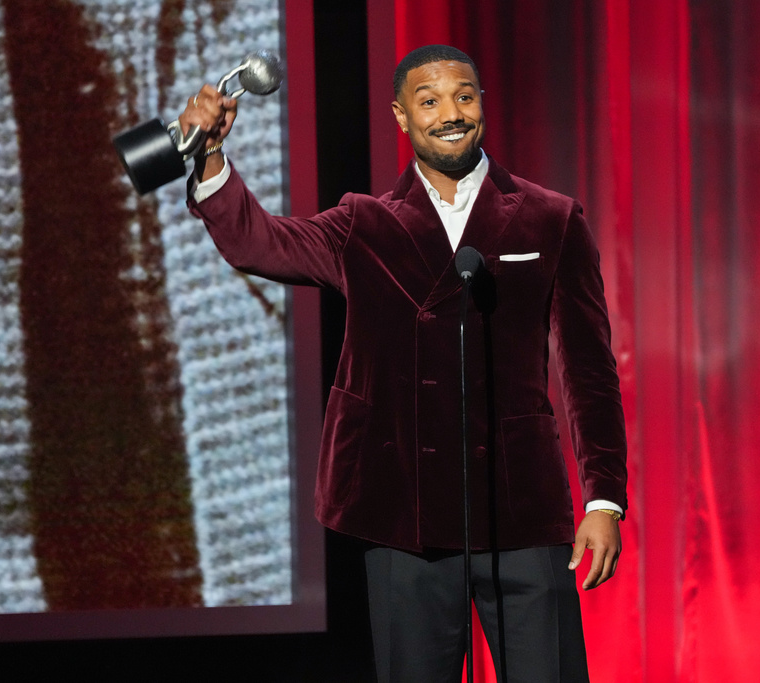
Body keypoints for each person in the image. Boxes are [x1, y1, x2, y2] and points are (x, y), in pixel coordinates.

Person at [181, 44, 628, 683]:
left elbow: (590, 370)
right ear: (400, 116)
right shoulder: (363, 224)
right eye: (430, 100)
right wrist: (213, 158)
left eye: (464, 97)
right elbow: (261, 243)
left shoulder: (550, 218)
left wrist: (604, 500)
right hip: (402, 515)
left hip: (523, 510)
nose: (451, 113)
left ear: (481, 105)